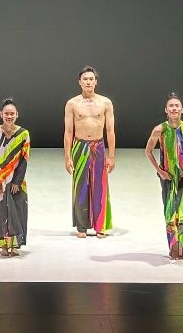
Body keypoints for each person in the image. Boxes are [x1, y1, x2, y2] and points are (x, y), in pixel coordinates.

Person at [145, 93, 183, 259]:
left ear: (182, 109)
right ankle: (173, 247)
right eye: (171, 106)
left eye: (176, 106)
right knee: (170, 210)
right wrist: (160, 170)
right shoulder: (160, 129)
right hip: (168, 177)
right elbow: (148, 151)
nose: (174, 108)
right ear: (166, 109)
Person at [63, 66, 115, 237]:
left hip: (98, 146)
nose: (88, 82)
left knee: (100, 185)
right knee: (80, 186)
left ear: (96, 82)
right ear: (80, 82)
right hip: (80, 146)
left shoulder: (105, 102)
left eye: (91, 79)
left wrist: (111, 156)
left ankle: (100, 226)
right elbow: (68, 132)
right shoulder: (72, 104)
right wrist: (68, 157)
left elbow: (110, 131)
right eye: (85, 79)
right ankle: (82, 226)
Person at [0, 98, 30, 257]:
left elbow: (25, 159)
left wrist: (17, 181)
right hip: (0, 181)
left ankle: (15, 244)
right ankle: (4, 244)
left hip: (17, 181)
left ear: (17, 115)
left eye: (12, 113)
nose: (9, 116)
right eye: (6, 113)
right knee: (2, 211)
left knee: (17, 210)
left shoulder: (23, 134)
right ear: (1, 114)